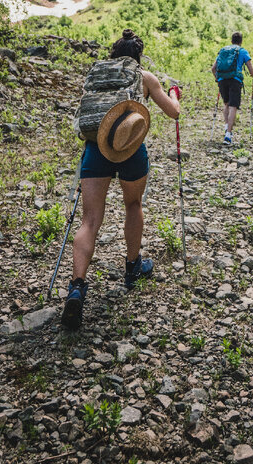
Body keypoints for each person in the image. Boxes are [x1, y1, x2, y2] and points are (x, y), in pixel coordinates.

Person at [63, 29, 181, 332]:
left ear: (114, 53)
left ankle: (77, 286)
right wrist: (174, 92)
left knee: (89, 220)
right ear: (138, 55)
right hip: (130, 149)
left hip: (96, 148)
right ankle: (132, 267)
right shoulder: (144, 77)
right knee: (132, 204)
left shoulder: (98, 75)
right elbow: (174, 113)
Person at [211, 31, 253, 145]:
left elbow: (213, 68)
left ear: (231, 40)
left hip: (222, 79)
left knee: (226, 104)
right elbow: (251, 70)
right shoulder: (242, 51)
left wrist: (217, 78)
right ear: (241, 41)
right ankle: (228, 134)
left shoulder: (223, 50)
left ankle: (227, 127)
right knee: (233, 106)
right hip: (235, 80)